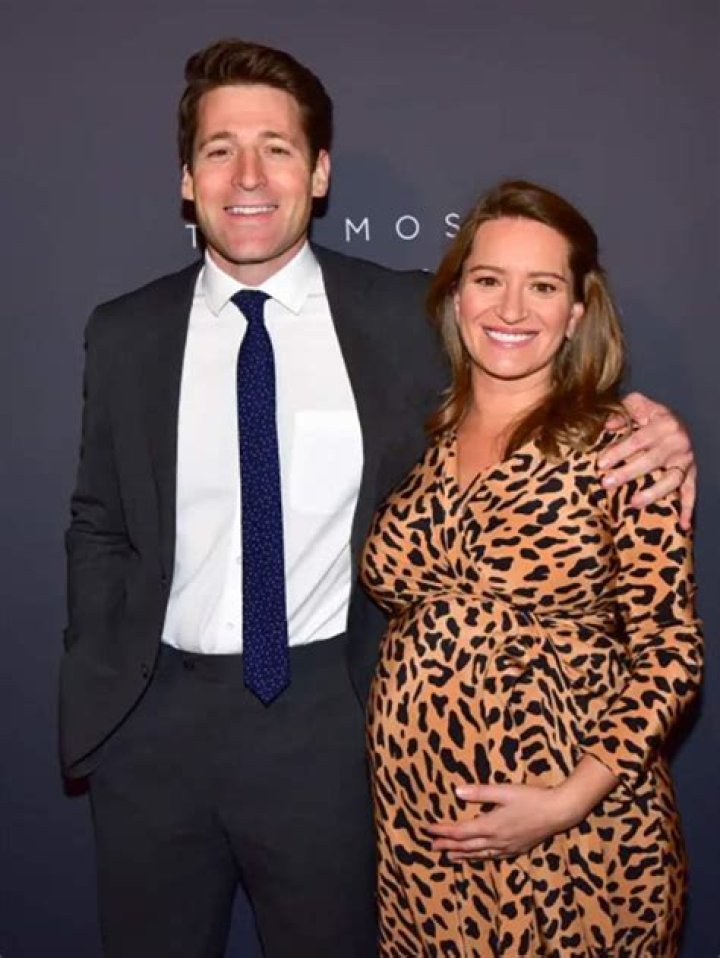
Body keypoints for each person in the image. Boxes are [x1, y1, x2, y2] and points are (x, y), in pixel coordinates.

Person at [61, 37, 694, 958]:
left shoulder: (408, 317)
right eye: (220, 150)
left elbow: (530, 351)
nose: (249, 176)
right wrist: (103, 687)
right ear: (187, 180)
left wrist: (653, 424)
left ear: (319, 173)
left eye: (277, 148)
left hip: (329, 729)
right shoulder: (125, 333)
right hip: (152, 732)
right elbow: (98, 519)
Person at [361, 179, 703, 957]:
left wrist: (566, 801)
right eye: (489, 280)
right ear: (457, 297)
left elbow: (672, 653)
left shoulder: (623, 448)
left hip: (579, 842)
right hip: (425, 845)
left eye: (542, 286)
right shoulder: (422, 439)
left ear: (576, 311)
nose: (512, 310)